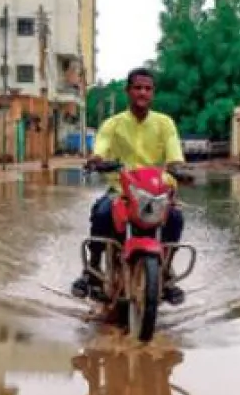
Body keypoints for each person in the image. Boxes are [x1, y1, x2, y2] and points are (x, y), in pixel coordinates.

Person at [72, 67, 189, 306]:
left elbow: (174, 152)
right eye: (137, 88)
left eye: (147, 88)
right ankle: (93, 270)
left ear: (153, 93)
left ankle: (166, 272)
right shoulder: (112, 124)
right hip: (122, 191)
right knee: (102, 212)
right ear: (128, 91)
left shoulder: (164, 123)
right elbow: (101, 145)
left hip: (156, 192)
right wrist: (96, 159)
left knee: (175, 217)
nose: (142, 92)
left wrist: (178, 166)